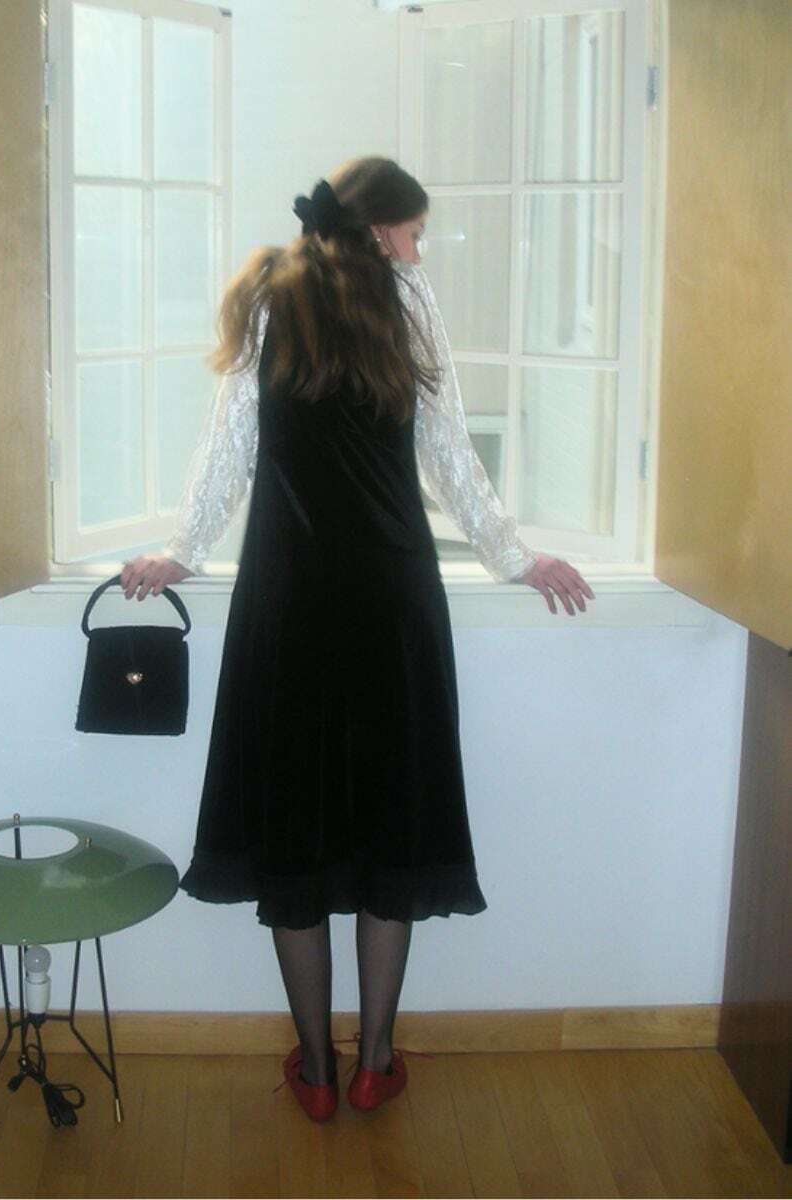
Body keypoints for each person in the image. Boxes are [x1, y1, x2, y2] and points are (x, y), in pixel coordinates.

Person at [120, 157, 594, 1119]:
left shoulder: (268, 298)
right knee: (390, 822)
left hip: (289, 600)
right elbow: (449, 451)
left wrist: (183, 549)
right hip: (391, 601)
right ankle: (376, 1060)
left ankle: (317, 1072)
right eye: (414, 233)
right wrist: (513, 556)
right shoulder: (406, 305)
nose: (419, 251)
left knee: (293, 825)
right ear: (380, 231)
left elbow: (229, 444)